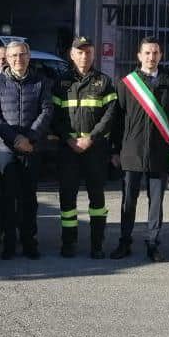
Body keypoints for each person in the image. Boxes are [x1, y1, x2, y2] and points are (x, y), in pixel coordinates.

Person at [111, 37, 169, 263]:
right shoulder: (126, 84)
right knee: (128, 200)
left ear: (160, 55)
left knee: (156, 202)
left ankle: (153, 243)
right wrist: (115, 150)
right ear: (139, 56)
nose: (151, 57)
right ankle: (125, 241)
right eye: (147, 53)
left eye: (155, 53)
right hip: (131, 150)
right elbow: (117, 120)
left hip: (160, 151)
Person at [0, 39, 53, 259]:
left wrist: (30, 138)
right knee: (8, 197)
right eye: (13, 55)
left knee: (28, 198)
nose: (18, 59)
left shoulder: (40, 81)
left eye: (22, 54)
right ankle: (9, 242)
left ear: (29, 56)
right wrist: (15, 139)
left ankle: (29, 240)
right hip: (6, 149)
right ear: (7, 58)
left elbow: (46, 111)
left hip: (32, 148)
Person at [52, 36, 118, 259]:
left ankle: (97, 245)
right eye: (79, 52)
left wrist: (91, 138)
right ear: (72, 55)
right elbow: (55, 116)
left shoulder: (104, 82)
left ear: (93, 54)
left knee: (97, 200)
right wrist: (69, 139)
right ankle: (68, 243)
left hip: (95, 150)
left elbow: (110, 115)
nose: (84, 56)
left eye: (88, 52)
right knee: (67, 199)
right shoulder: (61, 82)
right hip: (68, 149)